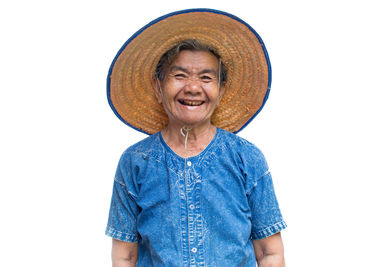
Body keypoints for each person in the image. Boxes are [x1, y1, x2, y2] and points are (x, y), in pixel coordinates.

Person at [106, 9, 287, 267]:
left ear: (221, 89)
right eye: (179, 75)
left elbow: (269, 252)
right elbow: (125, 256)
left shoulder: (247, 158)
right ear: (158, 87)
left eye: (206, 77)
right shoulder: (135, 162)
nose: (192, 87)